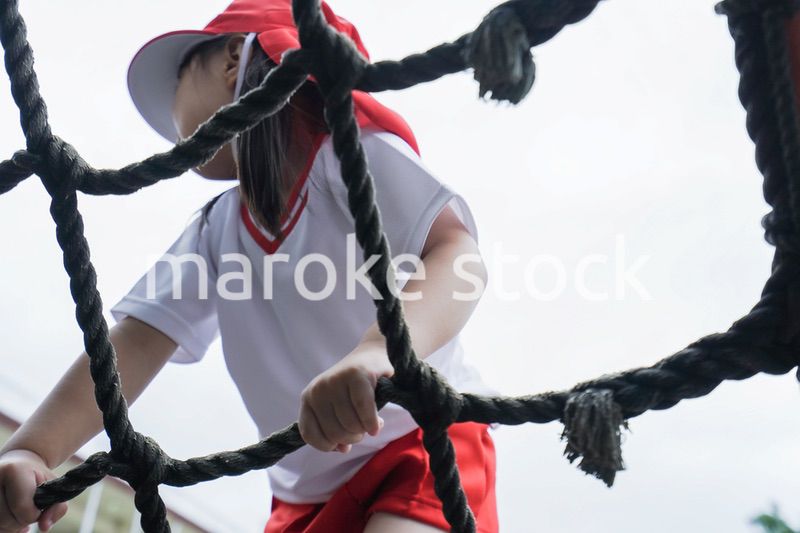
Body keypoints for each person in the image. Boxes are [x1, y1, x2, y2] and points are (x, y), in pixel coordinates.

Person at [0, 1, 501, 531]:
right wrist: (33, 450)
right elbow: (136, 341)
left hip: (418, 440)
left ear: (233, 58)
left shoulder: (344, 154)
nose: (171, 116)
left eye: (176, 82)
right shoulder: (218, 231)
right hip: (303, 491)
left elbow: (455, 253)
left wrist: (380, 352)